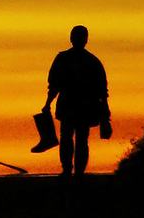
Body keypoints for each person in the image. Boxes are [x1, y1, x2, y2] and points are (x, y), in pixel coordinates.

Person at [42, 25, 109, 179]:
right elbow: (102, 92)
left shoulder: (64, 59)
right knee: (77, 139)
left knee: (71, 138)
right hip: (79, 106)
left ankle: (70, 171)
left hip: (75, 106)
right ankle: (74, 171)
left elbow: (54, 85)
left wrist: (48, 103)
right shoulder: (92, 61)